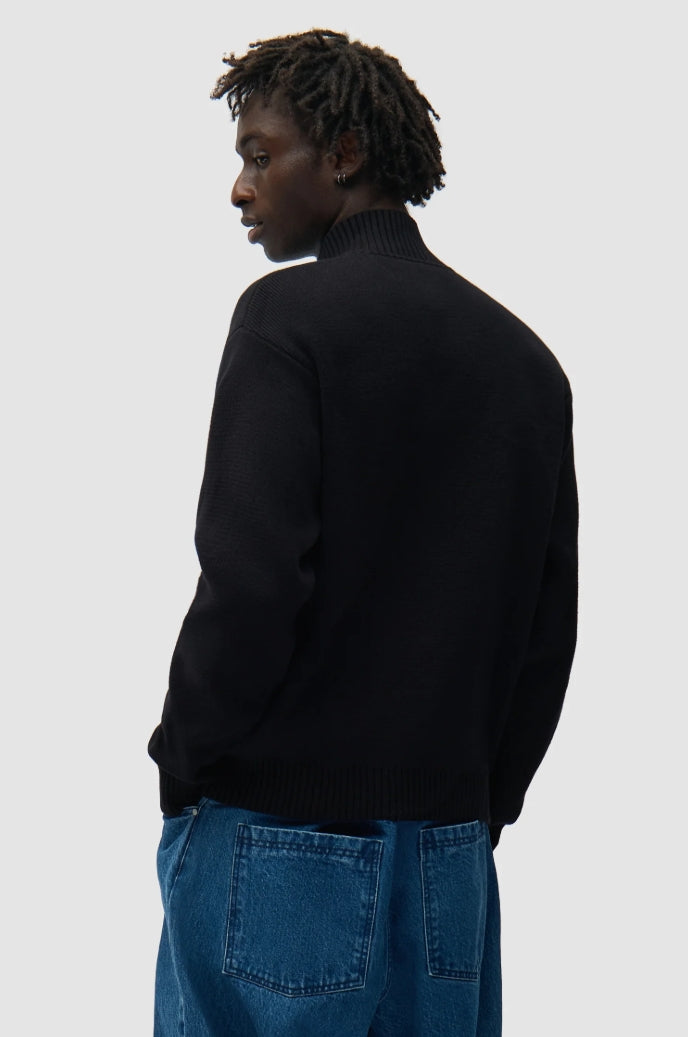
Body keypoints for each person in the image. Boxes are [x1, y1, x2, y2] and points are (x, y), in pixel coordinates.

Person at [148, 28, 578, 1037]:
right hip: (449, 858)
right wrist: (480, 805)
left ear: (343, 153)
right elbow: (545, 634)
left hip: (277, 835)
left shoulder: (286, 320)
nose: (241, 188)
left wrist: (184, 759)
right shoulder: (527, 365)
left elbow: (252, 584)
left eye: (260, 155)